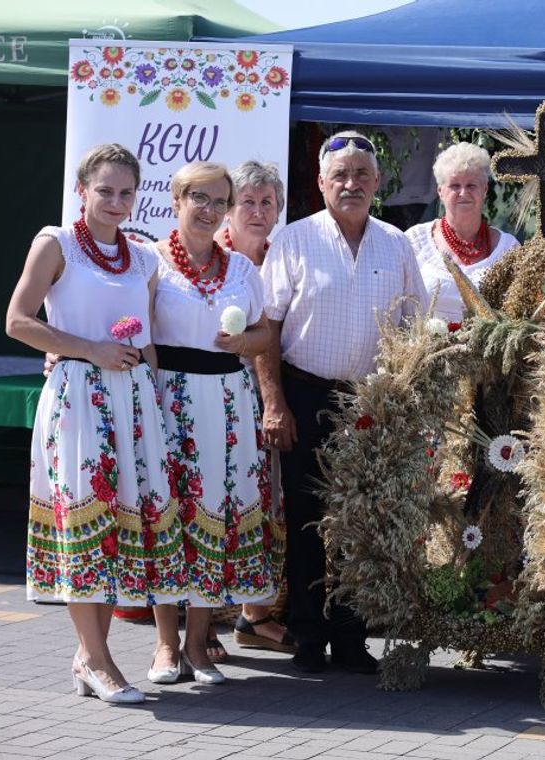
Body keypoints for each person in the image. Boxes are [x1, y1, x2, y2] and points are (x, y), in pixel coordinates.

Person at [6, 144, 183, 704]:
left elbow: (147, 340)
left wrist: (157, 404)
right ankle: (100, 661)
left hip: (131, 403)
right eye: (104, 190)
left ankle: (88, 658)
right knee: (84, 522)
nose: (115, 201)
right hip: (78, 397)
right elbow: (17, 321)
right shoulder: (54, 243)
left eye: (126, 192)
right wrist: (88, 350)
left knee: (115, 530)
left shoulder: (144, 258)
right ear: (82, 190)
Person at [256, 130, 428, 673]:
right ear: (322, 183)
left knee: (362, 523)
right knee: (306, 519)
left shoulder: (396, 243)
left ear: (377, 183)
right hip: (304, 393)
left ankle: (353, 638)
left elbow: (413, 328)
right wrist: (274, 402)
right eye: (340, 176)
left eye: (360, 175)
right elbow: (266, 329)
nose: (350, 184)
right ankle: (308, 636)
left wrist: (404, 404)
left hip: (368, 402)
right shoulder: (294, 240)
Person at [145, 162, 275, 686]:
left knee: (212, 520)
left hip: (226, 404)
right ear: (176, 199)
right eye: (199, 197)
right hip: (167, 399)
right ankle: (163, 647)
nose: (209, 209)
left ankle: (199, 647)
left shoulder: (241, 269)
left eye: (220, 201)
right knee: (165, 518)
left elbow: (266, 334)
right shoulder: (149, 261)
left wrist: (246, 343)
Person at [213, 160, 295, 661]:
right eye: (249, 202)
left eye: (268, 203)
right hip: (208, 395)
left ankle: (254, 615)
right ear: (230, 207)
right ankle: (200, 624)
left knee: (258, 503)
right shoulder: (205, 255)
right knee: (208, 500)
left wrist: (273, 400)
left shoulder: (279, 257)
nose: (259, 211)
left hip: (259, 398)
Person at [405, 142, 518, 321]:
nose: (463, 193)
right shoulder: (414, 239)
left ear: (485, 190)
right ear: (440, 192)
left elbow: (520, 311)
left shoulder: (509, 248)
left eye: (471, 185)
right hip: (426, 347)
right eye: (455, 186)